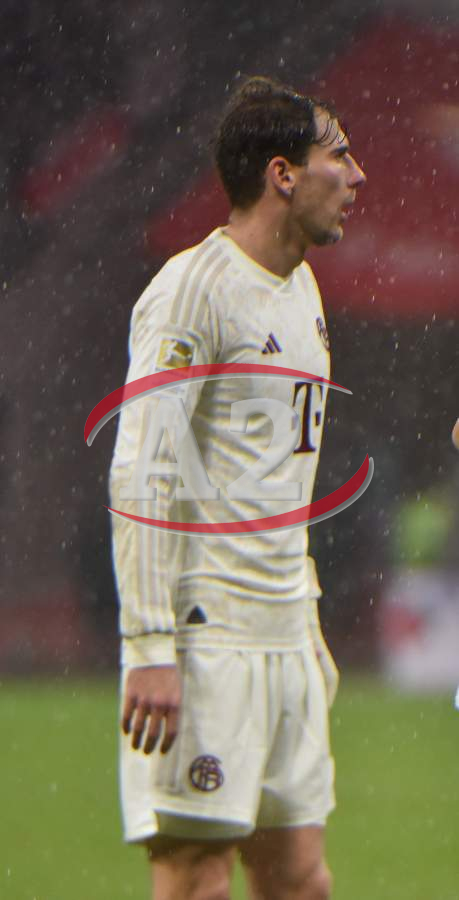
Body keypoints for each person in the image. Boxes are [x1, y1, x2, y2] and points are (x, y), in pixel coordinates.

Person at [109, 76, 366, 900]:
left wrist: (303, 626)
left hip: (287, 625)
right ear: (281, 174)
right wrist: (150, 646)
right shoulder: (193, 288)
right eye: (338, 155)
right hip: (205, 634)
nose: (357, 175)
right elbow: (142, 468)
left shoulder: (300, 288)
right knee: (198, 880)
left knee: (298, 879)